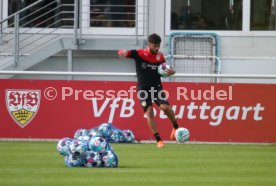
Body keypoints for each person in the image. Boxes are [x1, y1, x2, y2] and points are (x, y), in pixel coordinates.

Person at [118, 33, 179, 148]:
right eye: (154, 46)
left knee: (165, 107)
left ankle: (175, 127)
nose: (156, 48)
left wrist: (172, 71)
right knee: (149, 111)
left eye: (158, 46)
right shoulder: (139, 54)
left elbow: (165, 70)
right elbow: (123, 52)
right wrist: (122, 52)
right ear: (149, 44)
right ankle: (158, 140)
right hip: (143, 89)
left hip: (156, 87)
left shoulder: (160, 57)